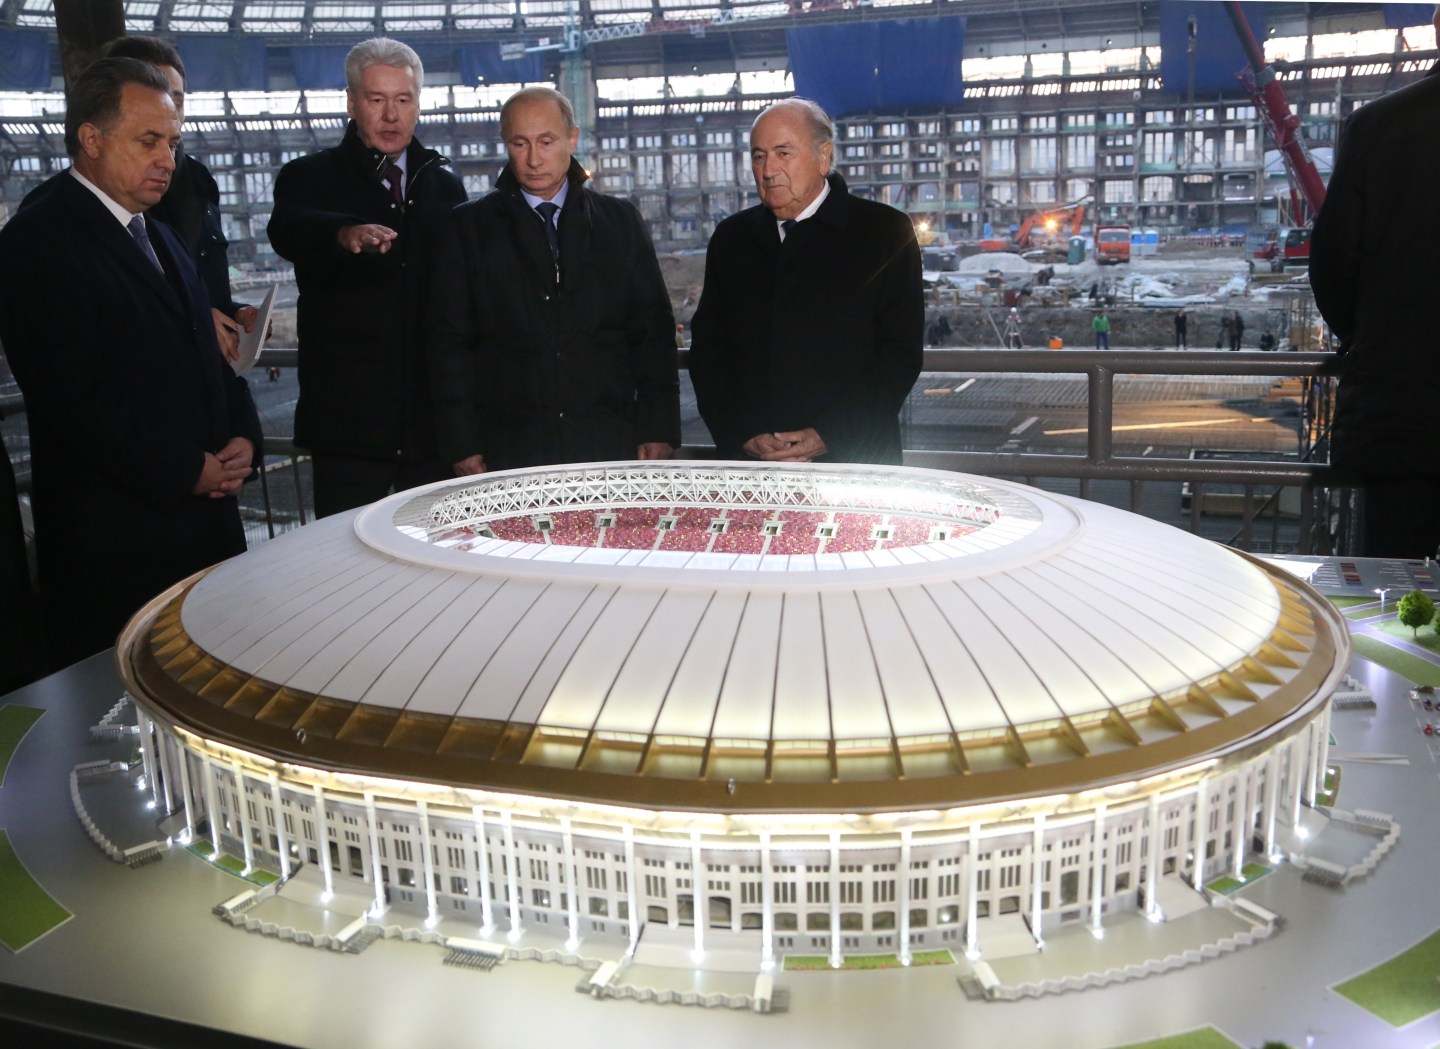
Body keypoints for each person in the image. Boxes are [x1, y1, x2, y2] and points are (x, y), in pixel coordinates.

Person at [0, 58, 262, 668]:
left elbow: (210, 352)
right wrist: (184, 468)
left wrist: (243, 434)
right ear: (91, 138)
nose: (167, 159)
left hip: (200, 531)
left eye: (172, 141)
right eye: (149, 141)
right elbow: (72, 399)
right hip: (117, 547)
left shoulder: (158, 233)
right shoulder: (37, 243)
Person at [427, 87, 679, 473]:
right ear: (505, 144)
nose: (532, 160)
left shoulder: (620, 221)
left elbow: (652, 331)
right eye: (519, 143)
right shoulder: (467, 227)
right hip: (509, 448)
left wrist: (657, 427)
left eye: (546, 142)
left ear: (572, 138)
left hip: (608, 443)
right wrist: (462, 443)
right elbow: (449, 344)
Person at [268, 38, 466, 517]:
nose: (391, 115)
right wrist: (341, 234)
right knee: (346, 571)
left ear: (418, 103)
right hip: (349, 430)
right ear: (353, 103)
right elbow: (287, 230)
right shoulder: (307, 177)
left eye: (403, 100)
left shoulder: (444, 182)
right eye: (377, 100)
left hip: (429, 431)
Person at [688, 98, 923, 465]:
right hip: (754, 466)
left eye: (783, 153)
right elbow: (709, 351)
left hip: (853, 462)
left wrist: (829, 434)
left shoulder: (884, 232)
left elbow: (899, 354)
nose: (768, 170)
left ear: (823, 156)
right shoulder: (731, 238)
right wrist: (744, 433)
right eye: (759, 156)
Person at [1311, 13, 1440, 558]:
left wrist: (1374, 337)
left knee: (1396, 589)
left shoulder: (1381, 126)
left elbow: (1334, 264)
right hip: (1407, 405)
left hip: (1408, 413)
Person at [99, 35, 258, 364]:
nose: (167, 111)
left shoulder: (199, 179)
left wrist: (235, 312)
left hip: (219, 381)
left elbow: (203, 285)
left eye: (176, 99)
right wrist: (195, 319)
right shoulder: (93, 202)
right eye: (154, 98)